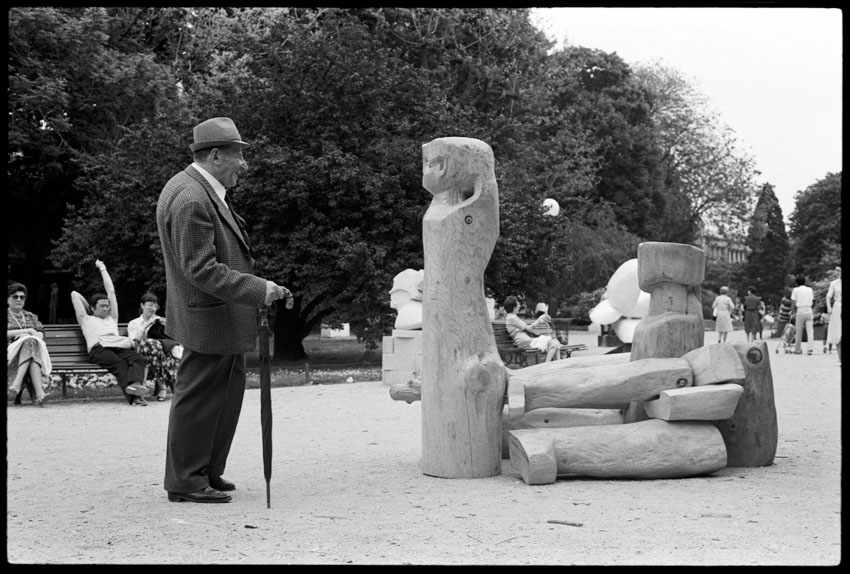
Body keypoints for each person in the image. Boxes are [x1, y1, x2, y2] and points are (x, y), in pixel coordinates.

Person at [157, 117, 292, 504]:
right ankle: (186, 480)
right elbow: (200, 268)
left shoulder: (197, 189)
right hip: (208, 316)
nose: (244, 163)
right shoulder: (192, 198)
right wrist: (258, 289)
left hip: (217, 314)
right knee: (200, 400)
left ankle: (206, 470)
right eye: (238, 154)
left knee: (223, 399)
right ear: (215, 156)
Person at [71, 260, 149, 405]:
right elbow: (74, 294)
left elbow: (111, 292)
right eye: (102, 306)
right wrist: (89, 309)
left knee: (138, 359)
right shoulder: (85, 319)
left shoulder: (112, 318)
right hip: (98, 348)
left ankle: (136, 385)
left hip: (117, 345)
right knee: (120, 364)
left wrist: (103, 268)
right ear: (93, 308)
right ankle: (135, 398)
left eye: (107, 306)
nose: (106, 308)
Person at [127, 291, 183, 401]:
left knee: (153, 352)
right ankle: (164, 387)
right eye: (150, 305)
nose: (153, 308)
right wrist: (147, 325)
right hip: (140, 352)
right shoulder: (134, 323)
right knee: (150, 346)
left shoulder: (160, 321)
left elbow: (174, 338)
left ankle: (155, 388)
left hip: (158, 353)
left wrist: (168, 326)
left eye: (155, 306)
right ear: (142, 305)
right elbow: (134, 341)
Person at [7, 283, 51, 406]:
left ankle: (16, 384)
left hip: (32, 353)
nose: (19, 299)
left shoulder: (31, 316)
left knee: (30, 342)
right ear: (8, 299)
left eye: (22, 297)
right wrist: (28, 331)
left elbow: (41, 335)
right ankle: (39, 393)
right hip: (10, 355)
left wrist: (28, 336)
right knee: (30, 341)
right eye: (15, 297)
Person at [503, 296, 562, 362]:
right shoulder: (512, 318)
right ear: (514, 307)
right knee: (554, 343)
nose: (519, 306)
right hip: (524, 341)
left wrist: (540, 321)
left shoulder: (512, 317)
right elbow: (529, 329)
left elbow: (527, 329)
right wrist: (539, 319)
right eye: (518, 304)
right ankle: (547, 364)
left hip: (526, 339)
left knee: (555, 342)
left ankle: (558, 363)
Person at [790, 274, 815, 355]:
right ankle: (810, 349)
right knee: (810, 330)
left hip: (800, 310)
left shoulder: (795, 290)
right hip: (809, 309)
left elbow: (793, 303)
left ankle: (798, 349)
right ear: (804, 281)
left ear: (797, 282)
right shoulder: (810, 289)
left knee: (798, 331)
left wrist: (792, 312)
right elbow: (812, 300)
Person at [824, 266, 841, 362]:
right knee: (837, 329)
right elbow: (828, 296)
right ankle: (838, 356)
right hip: (837, 306)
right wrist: (829, 307)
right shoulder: (834, 283)